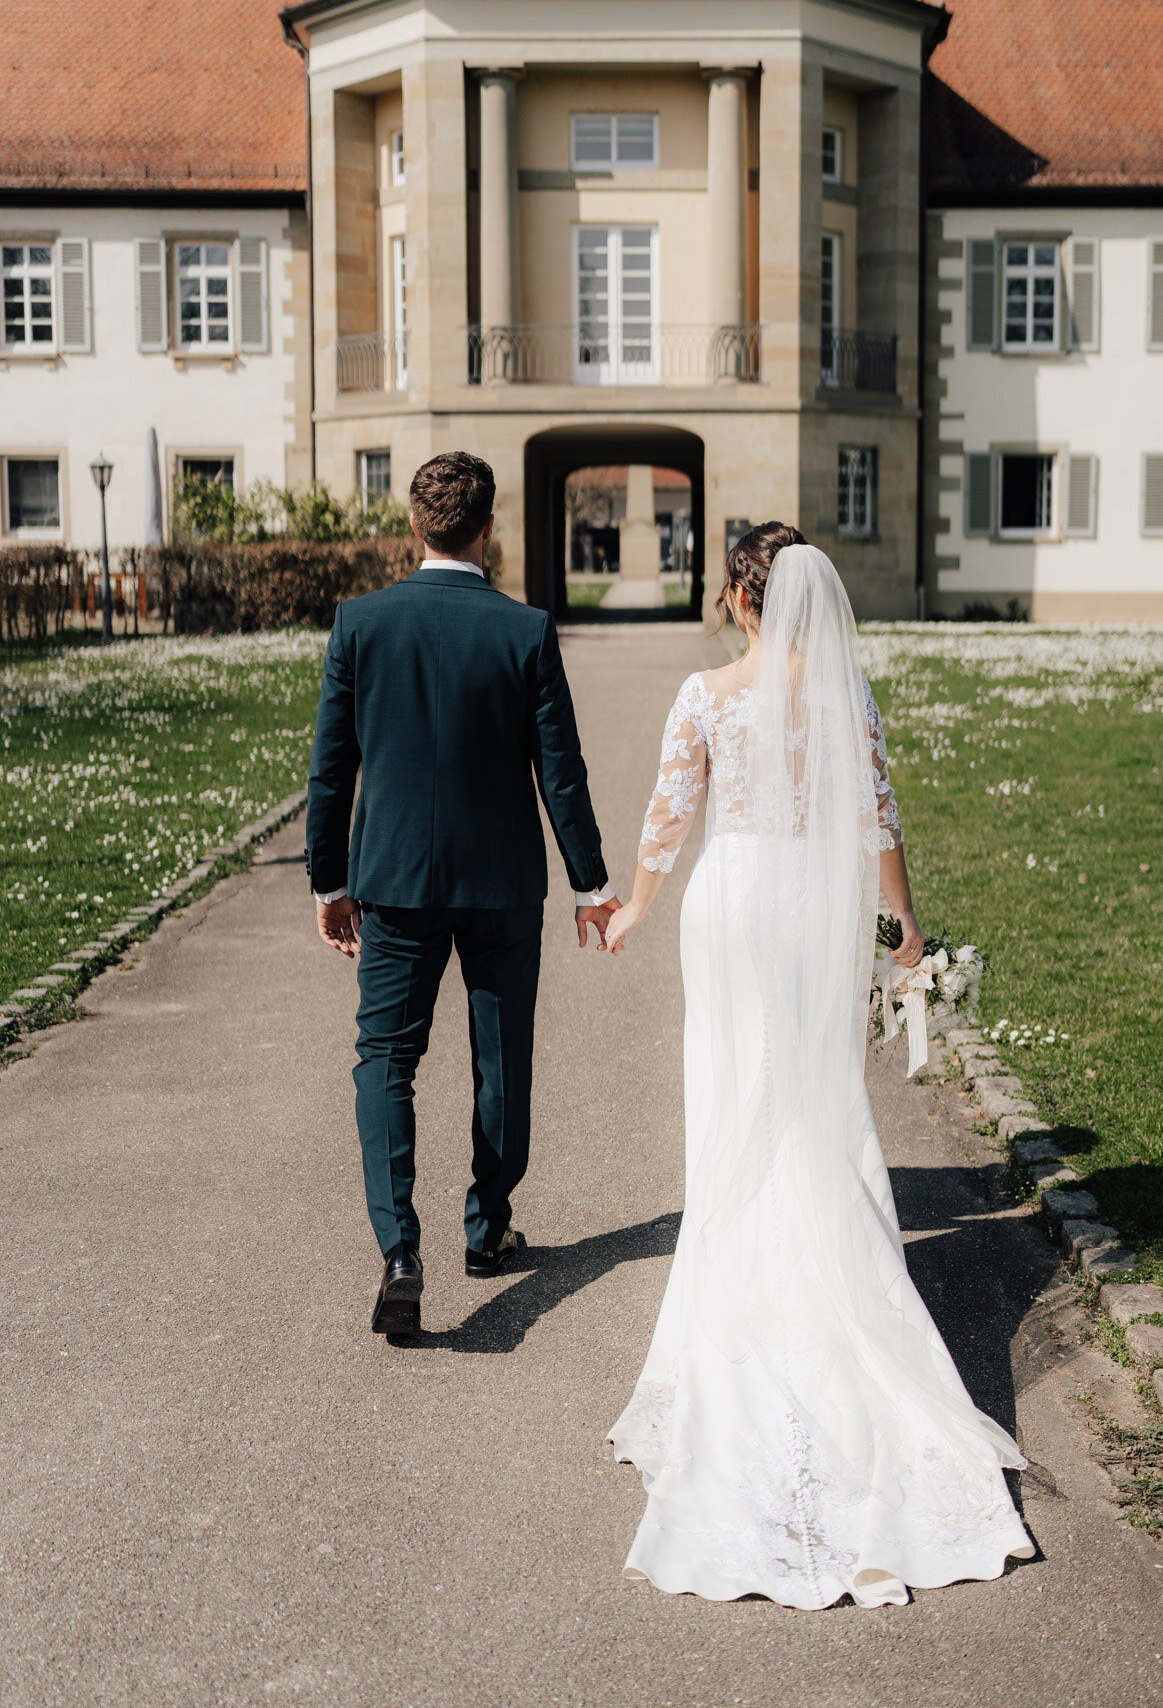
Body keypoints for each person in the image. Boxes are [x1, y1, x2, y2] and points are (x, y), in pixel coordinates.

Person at [602, 522, 1034, 1608]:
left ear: (740, 598)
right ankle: (831, 1272)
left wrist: (636, 907)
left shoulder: (707, 694)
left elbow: (670, 811)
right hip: (809, 907)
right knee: (816, 1101)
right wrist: (906, 927)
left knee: (733, 1095)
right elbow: (878, 820)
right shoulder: (846, 696)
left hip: (731, 902)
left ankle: (745, 1280)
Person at [305, 451, 619, 1336]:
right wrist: (590, 883)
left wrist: (329, 880)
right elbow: (561, 771)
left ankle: (400, 1251)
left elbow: (330, 769)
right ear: (488, 530)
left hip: (393, 881)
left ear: (415, 525)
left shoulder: (361, 623)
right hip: (501, 882)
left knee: (386, 1059)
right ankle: (487, 1229)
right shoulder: (525, 631)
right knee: (502, 1056)